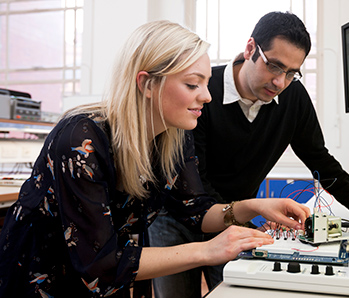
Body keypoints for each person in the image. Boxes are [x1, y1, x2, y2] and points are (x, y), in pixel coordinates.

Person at [0, 20, 310, 298]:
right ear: (147, 83)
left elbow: (197, 211)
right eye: (192, 84)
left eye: (205, 83)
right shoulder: (80, 140)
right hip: (41, 280)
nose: (207, 96)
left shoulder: (172, 136)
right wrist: (206, 250)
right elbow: (100, 263)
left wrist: (252, 206)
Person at [149, 11, 349, 298]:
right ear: (250, 49)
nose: (280, 82)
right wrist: (250, 211)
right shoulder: (202, 93)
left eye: (291, 72)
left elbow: (319, 159)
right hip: (176, 217)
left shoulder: (293, 97)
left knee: (231, 291)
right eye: (274, 66)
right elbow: (195, 183)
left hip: (234, 218)